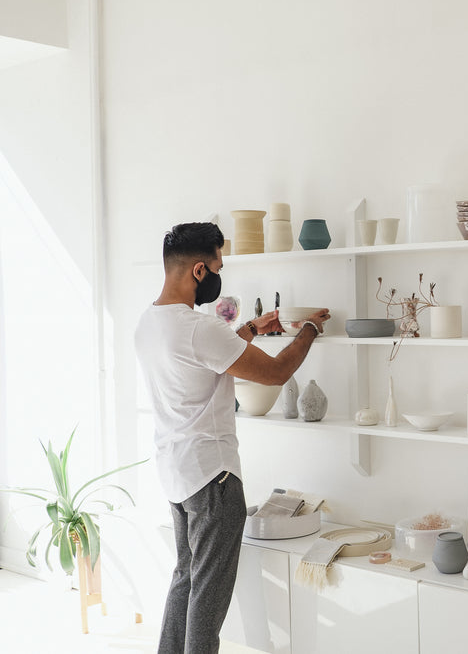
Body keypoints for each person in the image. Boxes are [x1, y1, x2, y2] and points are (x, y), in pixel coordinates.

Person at [135, 222, 330, 653]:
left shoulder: (150, 322)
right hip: (214, 480)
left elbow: (206, 361)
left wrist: (253, 329)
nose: (221, 274)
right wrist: (310, 331)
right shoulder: (199, 329)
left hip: (177, 474)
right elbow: (277, 373)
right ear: (200, 270)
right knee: (209, 596)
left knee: (185, 578)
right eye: (219, 266)